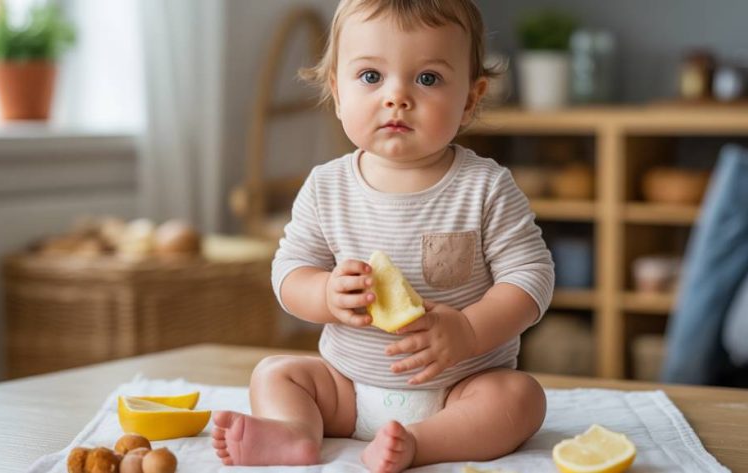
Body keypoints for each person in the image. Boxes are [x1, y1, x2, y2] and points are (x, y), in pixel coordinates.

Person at [211, 1, 554, 471]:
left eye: (428, 79)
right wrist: (326, 293)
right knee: (275, 374)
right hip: (347, 388)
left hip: (460, 387)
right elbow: (289, 272)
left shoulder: (486, 187)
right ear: (336, 89)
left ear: (471, 99)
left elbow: (532, 278)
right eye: (371, 77)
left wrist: (470, 332)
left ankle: (421, 443)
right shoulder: (326, 186)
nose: (397, 97)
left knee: (521, 399)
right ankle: (295, 434)